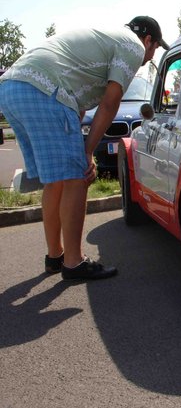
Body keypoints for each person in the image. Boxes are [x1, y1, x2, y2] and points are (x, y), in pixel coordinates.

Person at [0, 16, 169, 280]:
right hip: (43, 89)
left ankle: (55, 256)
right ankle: (74, 262)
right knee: (77, 178)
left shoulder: (105, 40)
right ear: (148, 40)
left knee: (56, 181)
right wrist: (87, 152)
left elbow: (78, 109)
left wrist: (80, 148)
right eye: (154, 50)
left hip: (14, 87)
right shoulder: (133, 47)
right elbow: (110, 105)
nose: (148, 58)